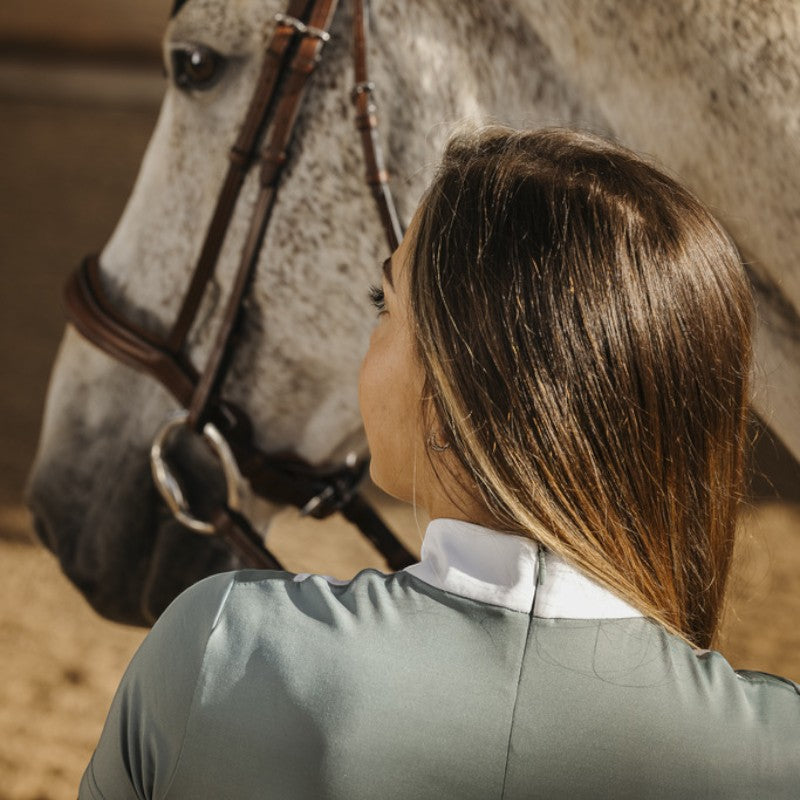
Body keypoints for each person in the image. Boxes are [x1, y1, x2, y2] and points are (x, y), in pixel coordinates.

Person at [79, 126, 800, 799]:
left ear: (459, 380)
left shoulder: (222, 649)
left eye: (383, 304)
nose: (370, 341)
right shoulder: (778, 751)